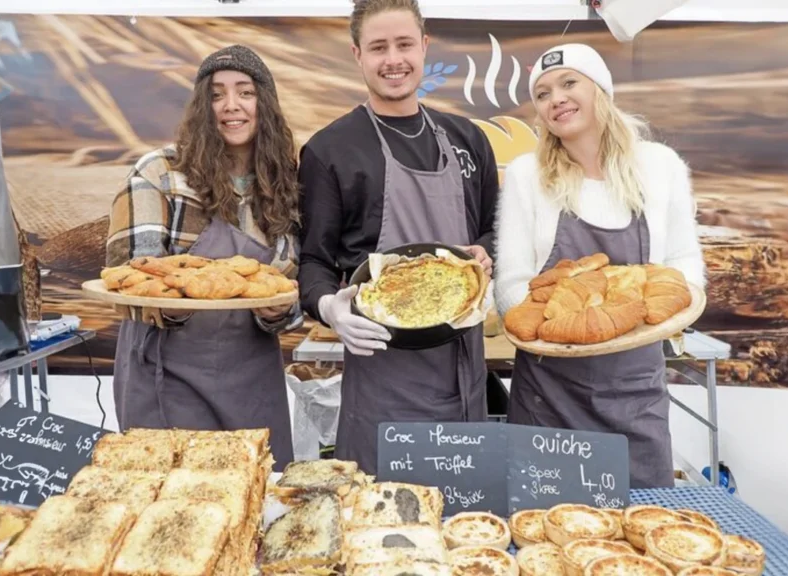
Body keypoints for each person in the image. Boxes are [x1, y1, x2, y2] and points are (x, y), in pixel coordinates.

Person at [296, 0, 499, 474]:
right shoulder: (329, 150)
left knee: (464, 511)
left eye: (404, 44)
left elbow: (495, 228)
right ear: (357, 55)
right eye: (378, 47)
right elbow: (313, 261)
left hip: (463, 369)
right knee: (377, 510)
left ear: (424, 46)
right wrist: (330, 308)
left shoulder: (468, 139)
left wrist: (487, 253)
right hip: (382, 376)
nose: (393, 60)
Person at [493, 44, 707, 488]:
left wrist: (632, 322)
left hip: (634, 392)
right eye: (543, 93)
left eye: (569, 83)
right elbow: (511, 284)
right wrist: (564, 328)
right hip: (549, 395)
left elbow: (683, 263)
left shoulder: (659, 166)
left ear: (600, 89)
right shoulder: (527, 175)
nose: (556, 99)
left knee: (645, 515)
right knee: (544, 520)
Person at [105, 45, 302, 470]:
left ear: (265, 104)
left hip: (252, 380)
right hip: (168, 379)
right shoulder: (159, 174)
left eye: (245, 92)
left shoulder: (283, 185)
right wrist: (174, 301)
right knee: (175, 495)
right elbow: (128, 281)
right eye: (216, 95)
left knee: (257, 490)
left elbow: (292, 293)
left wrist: (278, 312)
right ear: (201, 107)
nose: (231, 105)